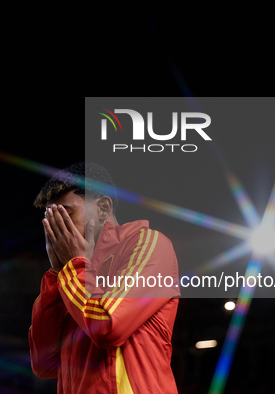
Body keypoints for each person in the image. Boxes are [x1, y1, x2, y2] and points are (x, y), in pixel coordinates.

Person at [29, 162, 180, 393]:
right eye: (50, 221)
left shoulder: (149, 244)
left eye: (65, 216)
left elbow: (108, 326)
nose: (55, 230)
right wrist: (55, 277)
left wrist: (72, 267)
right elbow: (44, 364)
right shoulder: (72, 276)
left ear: (102, 208)